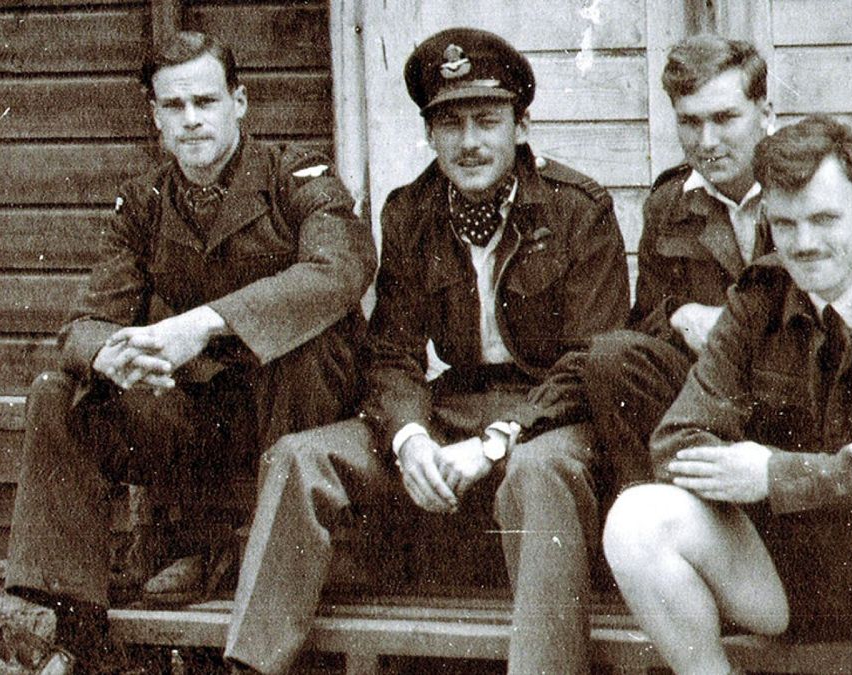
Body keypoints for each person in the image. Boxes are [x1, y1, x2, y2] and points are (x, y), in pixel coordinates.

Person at [222, 28, 629, 674]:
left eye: (487, 120)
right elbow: (392, 353)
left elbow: (591, 362)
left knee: (536, 472)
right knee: (303, 458)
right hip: (452, 407)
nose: (469, 142)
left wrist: (498, 440)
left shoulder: (580, 209)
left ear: (520, 127)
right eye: (450, 124)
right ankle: (249, 665)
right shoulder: (411, 212)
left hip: (551, 417)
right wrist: (411, 437)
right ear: (430, 134)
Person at [3, 30, 375, 671]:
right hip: (199, 426)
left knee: (312, 343)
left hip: (295, 419)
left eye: (206, 101)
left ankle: (252, 557)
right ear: (155, 116)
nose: (192, 120)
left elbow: (341, 271)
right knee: (59, 391)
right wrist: (111, 355)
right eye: (173, 107)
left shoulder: (298, 179)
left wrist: (201, 325)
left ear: (241, 101)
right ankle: (73, 626)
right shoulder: (143, 203)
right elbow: (85, 322)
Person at [602, 115, 852, 675]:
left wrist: (773, 474)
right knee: (636, 518)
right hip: (778, 573)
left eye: (825, 218)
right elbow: (677, 440)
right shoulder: (757, 301)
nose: (804, 244)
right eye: (785, 224)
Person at [582, 34, 852, 488]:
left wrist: (743, 322)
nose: (707, 140)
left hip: (811, 389)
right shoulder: (669, 203)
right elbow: (646, 321)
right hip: (721, 392)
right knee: (612, 359)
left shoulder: (828, 191)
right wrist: (679, 315)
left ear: (766, 114)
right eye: (689, 122)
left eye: (725, 118)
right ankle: (663, 499)